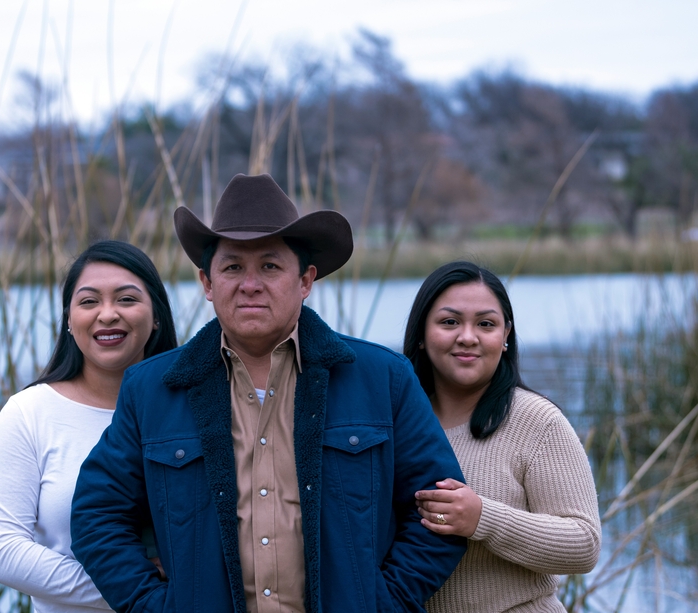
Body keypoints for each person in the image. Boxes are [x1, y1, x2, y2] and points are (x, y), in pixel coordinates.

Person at [69, 173, 466, 613]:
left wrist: (382, 601)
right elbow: (96, 518)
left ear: (305, 280)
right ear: (207, 282)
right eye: (233, 266)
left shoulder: (383, 378)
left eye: (270, 266)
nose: (250, 283)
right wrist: (155, 605)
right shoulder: (151, 389)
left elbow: (441, 511)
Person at [0, 240, 177, 613]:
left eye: (127, 299)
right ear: (69, 320)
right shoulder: (29, 413)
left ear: (156, 316)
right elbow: (2, 551)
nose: (107, 314)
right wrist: (141, 592)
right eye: (88, 302)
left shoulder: (190, 409)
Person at [404, 261, 601, 612]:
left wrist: (483, 519)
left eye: (486, 324)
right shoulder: (397, 423)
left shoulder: (537, 422)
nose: (468, 336)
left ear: (505, 335)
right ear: (421, 333)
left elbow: (583, 545)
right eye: (449, 322)